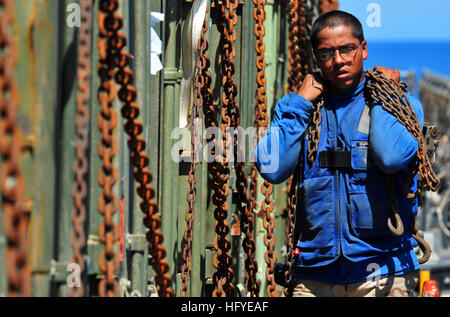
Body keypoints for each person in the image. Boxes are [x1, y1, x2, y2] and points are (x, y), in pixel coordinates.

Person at [254, 10, 424, 297]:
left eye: (347, 49)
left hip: (383, 274)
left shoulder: (402, 105)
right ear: (316, 58)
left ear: (364, 49)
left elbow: (391, 156)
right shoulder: (297, 109)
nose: (338, 61)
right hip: (314, 276)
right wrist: (299, 105)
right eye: (326, 54)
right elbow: (271, 168)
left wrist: (385, 96)